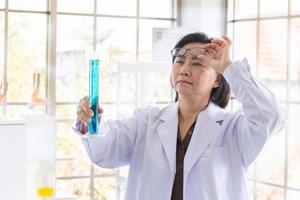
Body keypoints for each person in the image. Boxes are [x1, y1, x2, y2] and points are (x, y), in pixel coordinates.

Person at [74, 32, 285, 200]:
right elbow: (105, 150)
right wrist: (91, 123)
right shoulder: (146, 122)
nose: (184, 69)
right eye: (180, 60)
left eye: (197, 63)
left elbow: (270, 116)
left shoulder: (233, 128)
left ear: (218, 80)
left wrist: (229, 67)